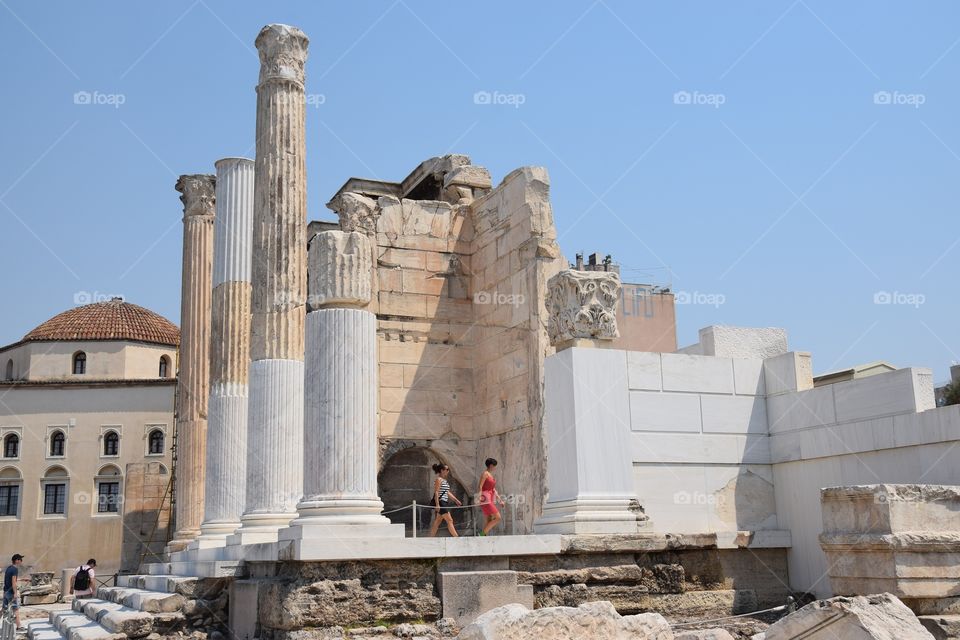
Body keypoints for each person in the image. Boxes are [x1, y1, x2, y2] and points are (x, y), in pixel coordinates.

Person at [428, 463, 462, 537]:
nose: (448, 471)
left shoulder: (444, 480)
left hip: (444, 502)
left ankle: (430, 537)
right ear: (442, 470)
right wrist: (437, 504)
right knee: (450, 520)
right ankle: (457, 538)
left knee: (438, 521)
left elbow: (447, 492)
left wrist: (456, 500)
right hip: (441, 502)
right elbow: (436, 492)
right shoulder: (439, 479)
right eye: (447, 469)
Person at [477, 458, 505, 536]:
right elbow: (480, 486)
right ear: (491, 465)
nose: (495, 468)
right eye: (494, 466)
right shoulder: (485, 474)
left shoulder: (490, 475)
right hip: (485, 497)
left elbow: (493, 489)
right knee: (498, 518)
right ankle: (482, 534)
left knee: (489, 519)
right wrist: (479, 497)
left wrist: (500, 500)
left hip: (490, 497)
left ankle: (483, 536)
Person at [2, 554, 23, 630]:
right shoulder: (15, 569)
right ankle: (19, 626)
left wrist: (22, 579)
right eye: (20, 560)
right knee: (15, 609)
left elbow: (9, 580)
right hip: (11, 593)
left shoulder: (9, 568)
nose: (21, 561)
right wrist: (15, 593)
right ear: (17, 561)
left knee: (4, 609)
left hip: (6, 592)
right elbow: (13, 582)